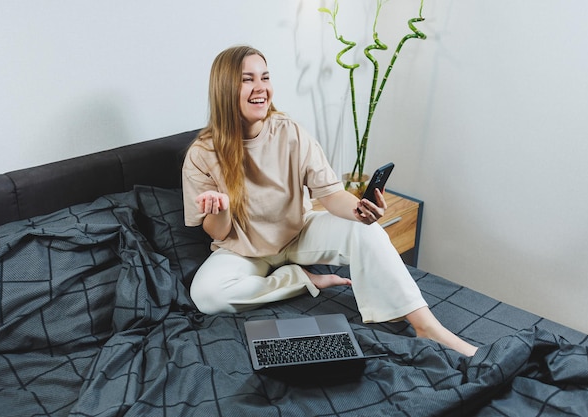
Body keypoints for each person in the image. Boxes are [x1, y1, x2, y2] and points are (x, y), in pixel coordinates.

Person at [182, 45, 478, 357]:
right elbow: (217, 232)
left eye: (265, 77)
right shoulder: (202, 154)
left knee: (368, 231)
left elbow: (331, 194)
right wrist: (223, 208)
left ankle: (427, 328)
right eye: (247, 80)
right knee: (205, 295)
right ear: (225, 87)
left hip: (297, 234)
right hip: (243, 250)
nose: (261, 88)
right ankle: (300, 278)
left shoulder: (290, 133)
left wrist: (360, 212)